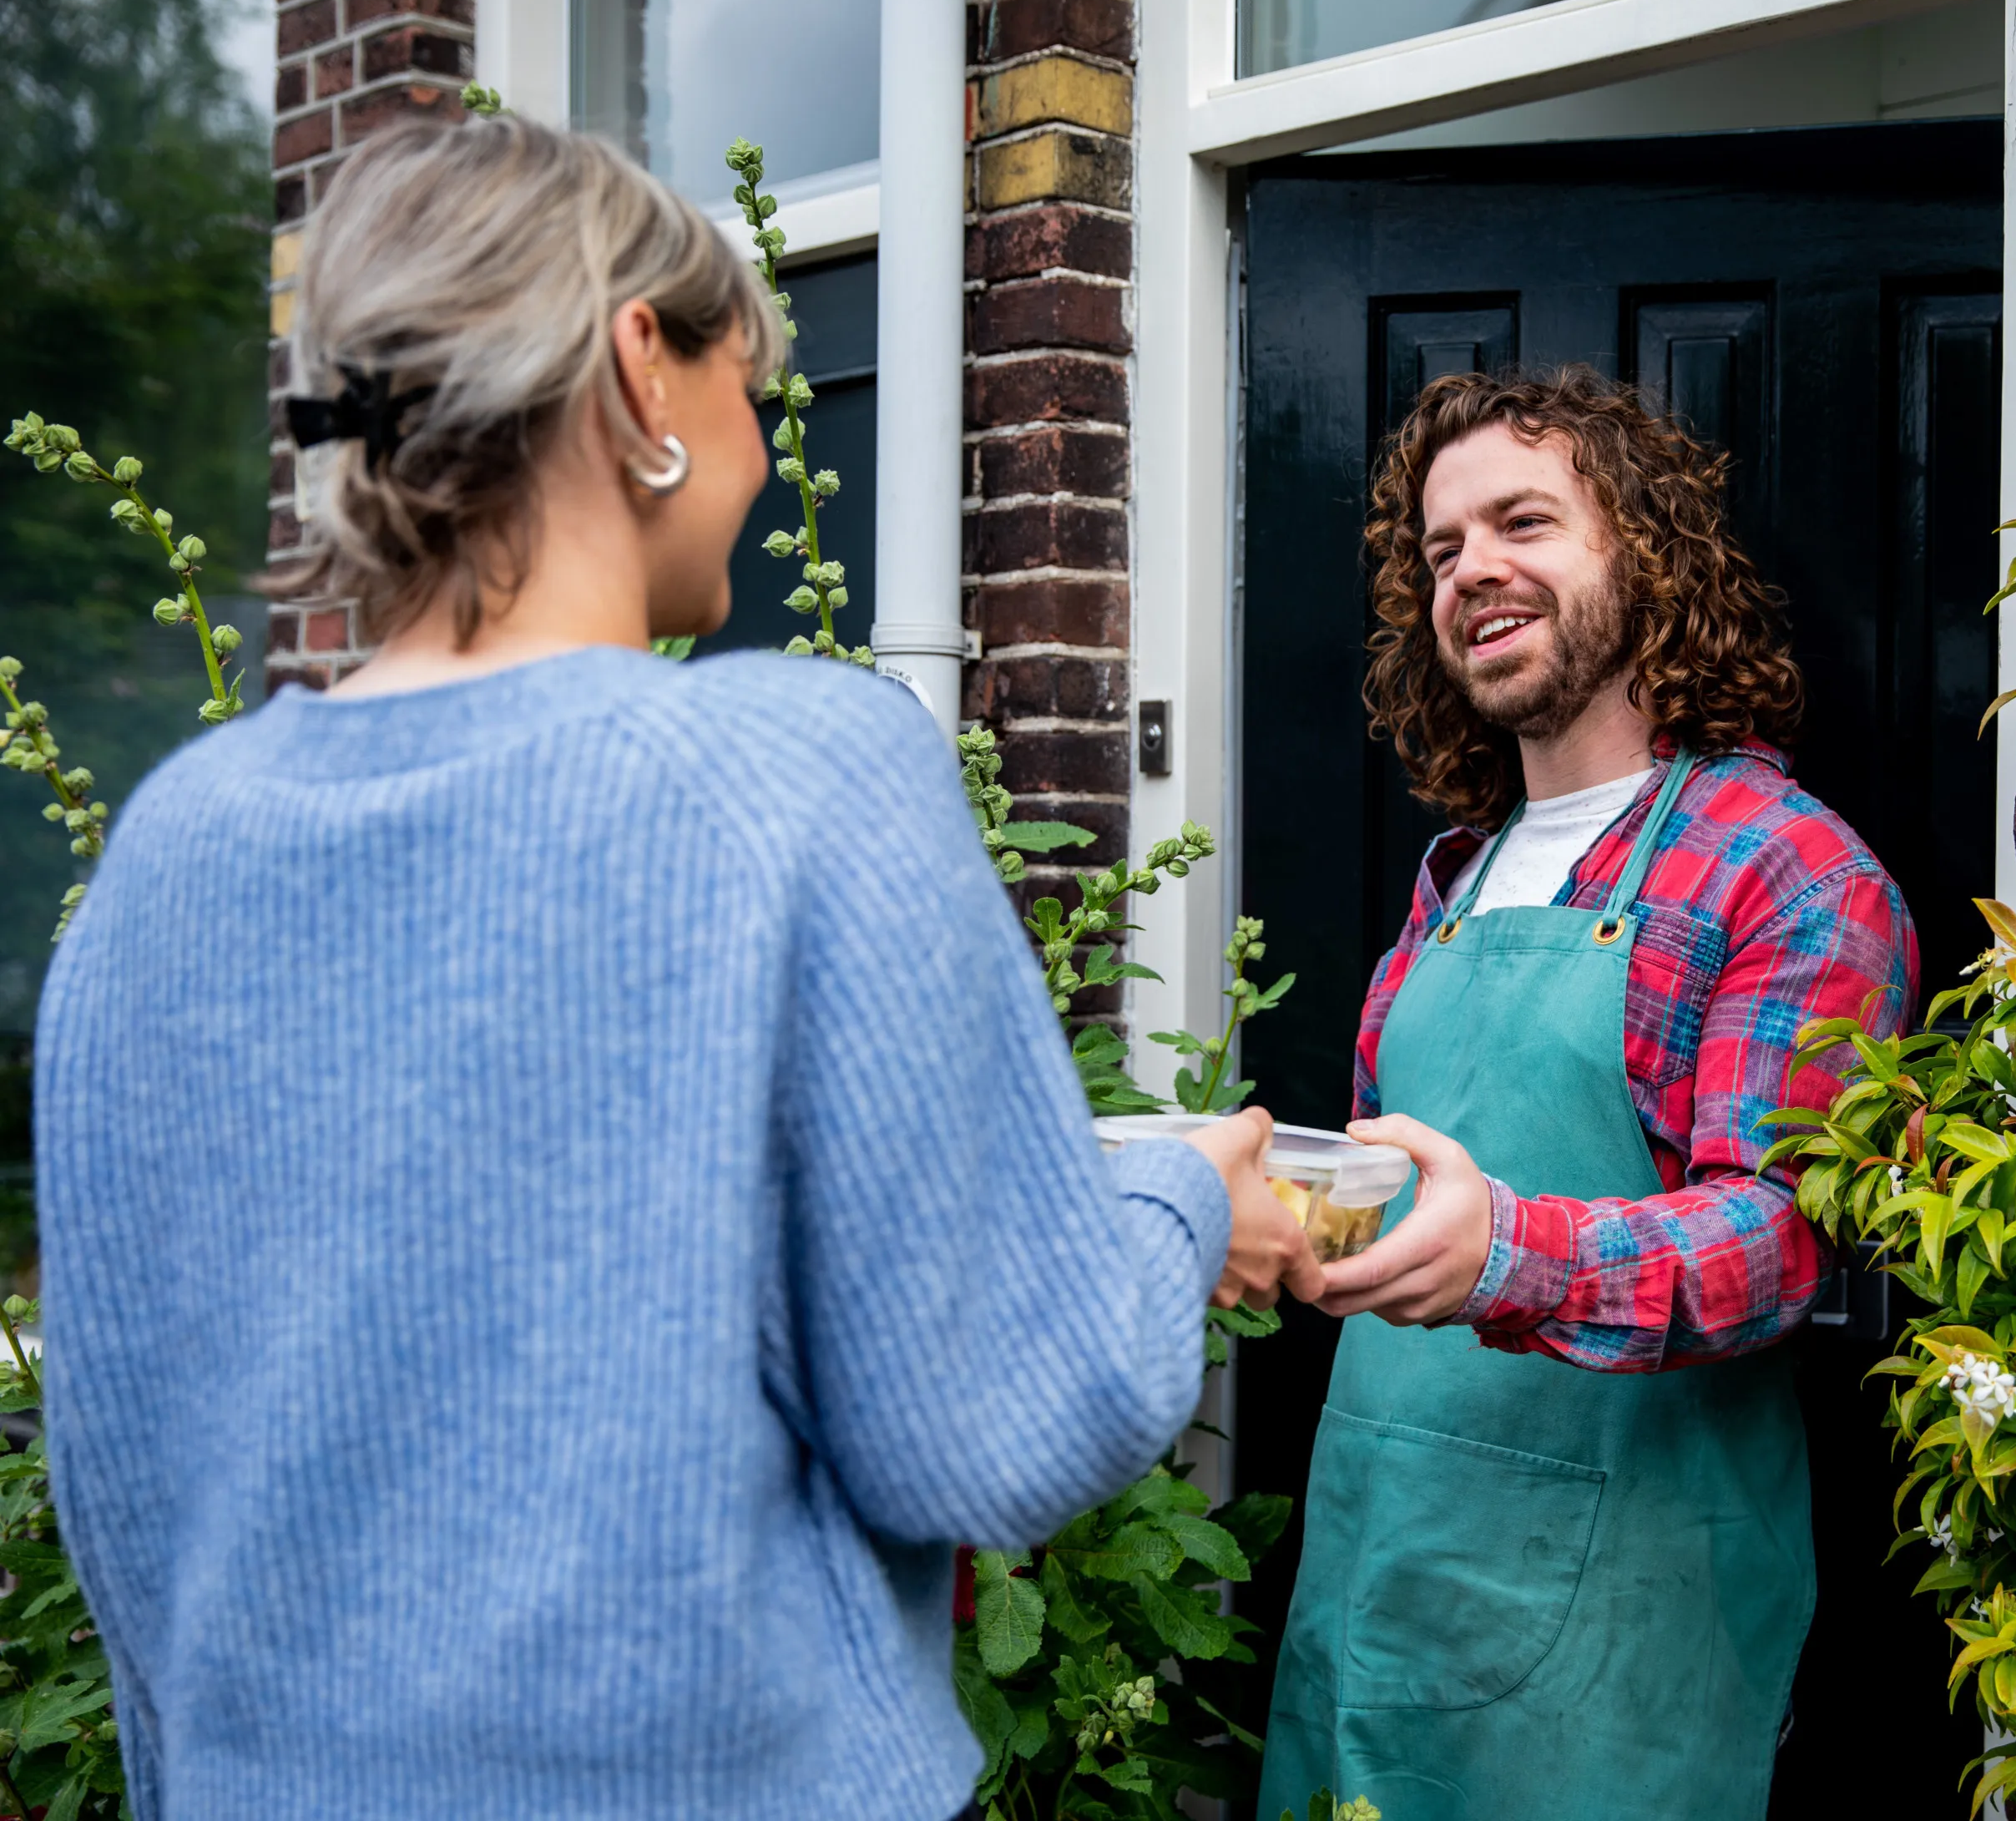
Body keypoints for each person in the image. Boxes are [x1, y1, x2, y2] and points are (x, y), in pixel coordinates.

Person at [33, 114, 1320, 1819]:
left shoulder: (170, 845)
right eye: (752, 380)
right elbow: (1002, 1417)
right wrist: (1180, 1212)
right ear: (643, 365)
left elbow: (125, 1476)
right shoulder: (799, 767)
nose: (770, 452)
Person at [1258, 367, 1920, 1820]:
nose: (1472, 571)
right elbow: (1384, 1206)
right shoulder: (1455, 882)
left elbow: (1787, 1240)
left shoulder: (1787, 873)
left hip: (1625, 1621)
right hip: (1384, 1563)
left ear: (1644, 552)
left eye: (1524, 523)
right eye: (1439, 551)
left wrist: (1510, 1250)